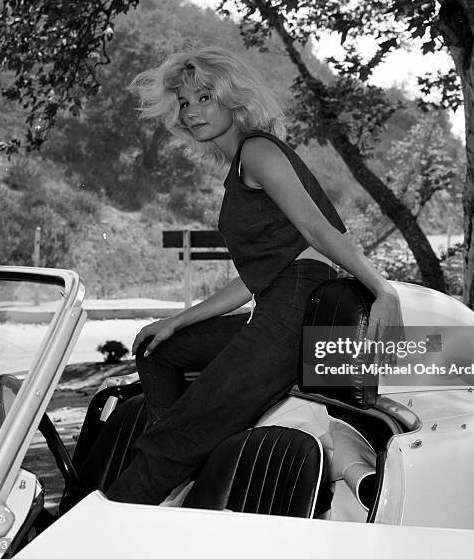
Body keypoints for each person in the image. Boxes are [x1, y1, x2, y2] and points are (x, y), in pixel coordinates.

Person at [105, 47, 402, 504]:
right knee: (157, 349)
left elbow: (316, 229)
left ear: (231, 97)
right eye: (184, 103)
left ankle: (120, 514)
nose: (192, 111)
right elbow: (252, 279)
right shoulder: (239, 168)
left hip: (293, 311)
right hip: (275, 306)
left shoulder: (258, 150)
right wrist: (177, 321)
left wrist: (381, 287)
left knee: (177, 438)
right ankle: (189, 471)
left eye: (204, 97)